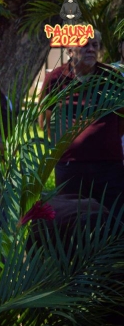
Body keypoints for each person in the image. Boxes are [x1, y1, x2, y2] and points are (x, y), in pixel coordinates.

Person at [40, 29, 124, 208]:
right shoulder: (55, 78)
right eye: (85, 44)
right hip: (70, 166)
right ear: (70, 50)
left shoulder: (112, 77)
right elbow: (46, 121)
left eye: (95, 45)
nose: (91, 49)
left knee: (112, 219)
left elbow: (122, 118)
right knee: (73, 218)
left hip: (109, 166)